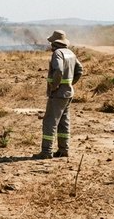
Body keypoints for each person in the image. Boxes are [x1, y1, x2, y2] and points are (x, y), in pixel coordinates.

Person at [34, 30, 84, 159]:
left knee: (50, 122)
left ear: (54, 43)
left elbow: (59, 70)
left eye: (51, 42)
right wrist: (70, 84)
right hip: (68, 93)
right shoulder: (71, 53)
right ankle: (63, 150)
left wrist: (54, 87)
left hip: (58, 94)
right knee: (64, 122)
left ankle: (46, 151)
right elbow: (80, 70)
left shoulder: (57, 53)